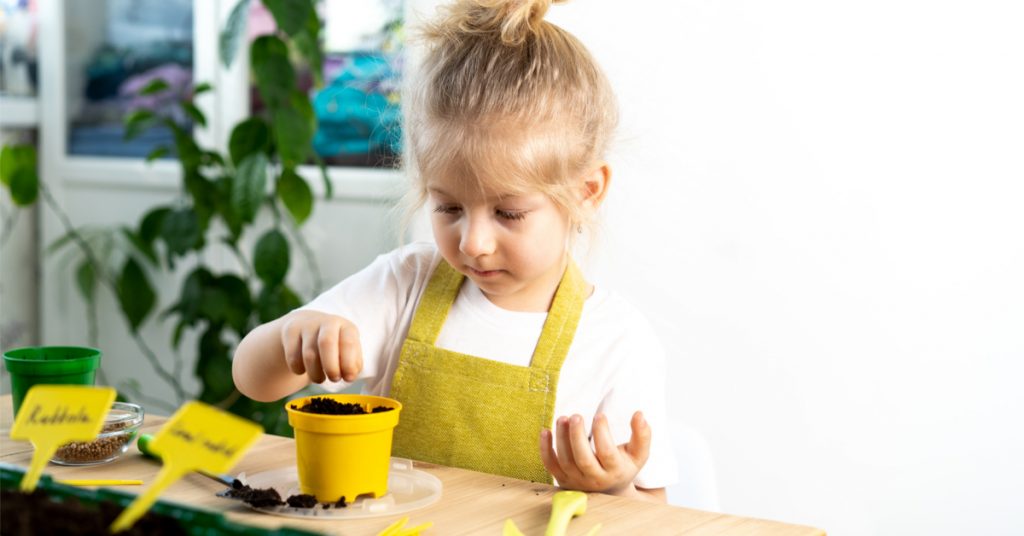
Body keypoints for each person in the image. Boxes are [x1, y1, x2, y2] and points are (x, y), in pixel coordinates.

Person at [233, 0, 677, 503]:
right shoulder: (406, 284)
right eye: (447, 208)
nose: (473, 243)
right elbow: (252, 379)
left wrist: (615, 487)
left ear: (586, 191)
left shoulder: (615, 340)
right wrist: (294, 335)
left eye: (508, 214)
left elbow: (653, 517)